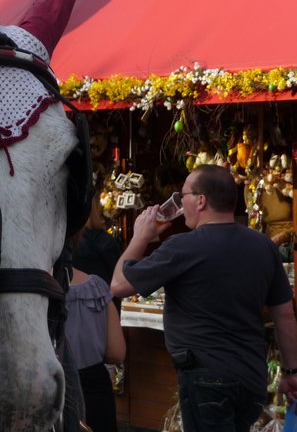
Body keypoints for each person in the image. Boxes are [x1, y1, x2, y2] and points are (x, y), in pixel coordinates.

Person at [111, 164, 297, 432]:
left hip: (206, 379)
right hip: (251, 378)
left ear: (200, 201)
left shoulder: (182, 247)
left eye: (182, 196)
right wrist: (291, 372)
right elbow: (286, 316)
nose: (179, 203)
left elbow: (118, 285)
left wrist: (140, 237)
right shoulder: (263, 246)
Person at [66, 262, 126, 432]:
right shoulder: (96, 286)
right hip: (95, 390)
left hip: (49, 390)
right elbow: (117, 353)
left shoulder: (30, 288)